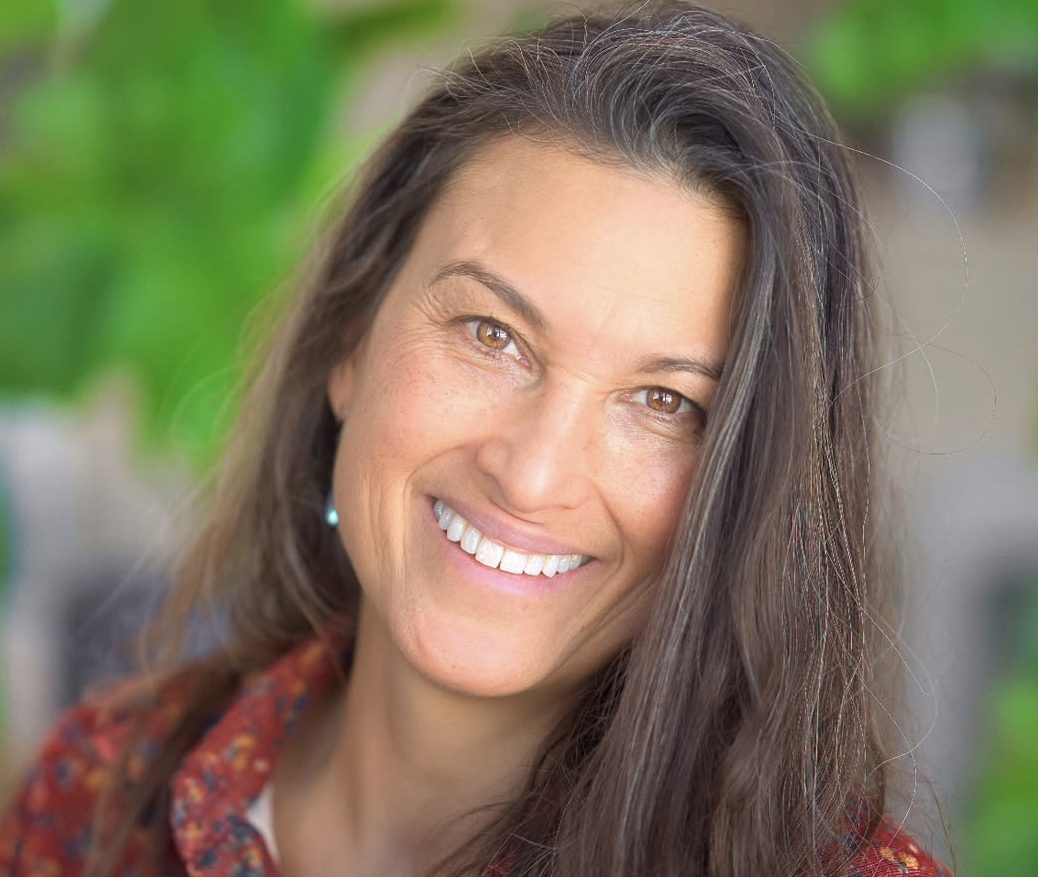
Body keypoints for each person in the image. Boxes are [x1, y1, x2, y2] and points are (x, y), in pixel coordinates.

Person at [0, 1, 947, 874]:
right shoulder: (96, 798)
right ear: (349, 336)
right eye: (492, 336)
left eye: (664, 403)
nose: (532, 474)